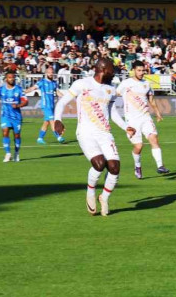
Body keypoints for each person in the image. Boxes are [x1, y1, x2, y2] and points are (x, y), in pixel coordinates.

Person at [54, 58, 130, 217]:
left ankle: (104, 197)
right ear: (102, 69)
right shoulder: (82, 84)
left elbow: (112, 112)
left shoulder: (110, 89)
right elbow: (62, 103)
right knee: (99, 163)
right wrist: (58, 120)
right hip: (85, 132)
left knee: (115, 167)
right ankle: (90, 192)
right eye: (112, 70)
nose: (114, 73)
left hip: (105, 133)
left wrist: (125, 127)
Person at [117, 61, 170, 179]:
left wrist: (157, 113)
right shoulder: (126, 83)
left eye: (143, 70)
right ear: (133, 70)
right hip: (132, 120)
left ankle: (160, 166)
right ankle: (137, 166)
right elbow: (115, 95)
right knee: (139, 146)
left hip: (145, 117)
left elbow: (151, 100)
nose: (141, 73)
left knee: (154, 139)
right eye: (139, 70)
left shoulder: (146, 83)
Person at [25, 67, 65, 144]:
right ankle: (58, 137)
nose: (51, 74)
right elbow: (33, 88)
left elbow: (57, 92)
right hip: (45, 105)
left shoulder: (54, 83)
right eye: (50, 72)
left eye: (52, 72)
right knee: (52, 120)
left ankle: (40, 138)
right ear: (46, 73)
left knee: (46, 122)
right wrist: (24, 92)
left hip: (52, 105)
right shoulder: (42, 82)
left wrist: (65, 97)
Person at [0, 72, 27, 162]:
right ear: (6, 79)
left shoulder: (19, 89)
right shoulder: (1, 89)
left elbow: (25, 101)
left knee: (17, 135)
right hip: (5, 115)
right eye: (9, 77)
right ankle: (8, 153)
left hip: (16, 116)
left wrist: (18, 105)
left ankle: (16, 153)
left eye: (13, 78)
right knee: (5, 132)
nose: (11, 79)